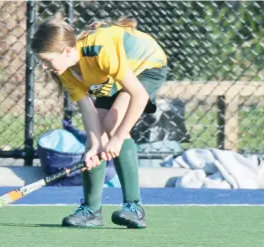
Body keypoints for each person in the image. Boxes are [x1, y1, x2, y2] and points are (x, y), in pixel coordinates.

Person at [31, 16, 168, 228]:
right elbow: (88, 111)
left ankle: (134, 207)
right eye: (41, 61)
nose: (45, 67)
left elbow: (138, 96)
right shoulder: (65, 70)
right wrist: (95, 146)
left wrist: (119, 139)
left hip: (147, 67)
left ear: (67, 51)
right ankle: (91, 210)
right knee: (96, 137)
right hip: (111, 77)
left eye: (48, 60)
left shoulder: (99, 50)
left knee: (114, 121)